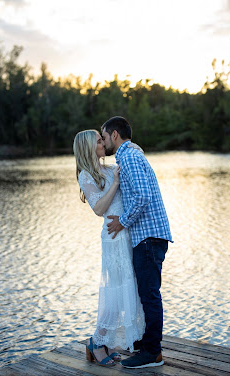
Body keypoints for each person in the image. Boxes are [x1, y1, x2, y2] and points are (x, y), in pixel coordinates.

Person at [101, 116, 172, 369]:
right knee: (147, 293)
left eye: (105, 136)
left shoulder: (129, 157)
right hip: (149, 236)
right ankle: (148, 345)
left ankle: (152, 353)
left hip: (148, 237)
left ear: (116, 135)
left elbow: (142, 196)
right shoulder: (130, 155)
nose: (104, 141)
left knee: (150, 295)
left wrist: (123, 221)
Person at [73, 129, 145, 367]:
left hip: (126, 232)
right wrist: (114, 182)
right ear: (88, 147)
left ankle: (107, 344)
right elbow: (99, 208)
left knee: (128, 287)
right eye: (98, 140)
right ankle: (95, 342)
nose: (103, 142)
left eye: (101, 138)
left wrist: (136, 149)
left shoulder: (109, 167)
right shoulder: (87, 175)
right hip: (113, 237)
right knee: (114, 290)